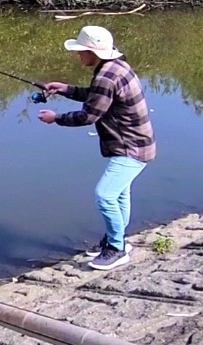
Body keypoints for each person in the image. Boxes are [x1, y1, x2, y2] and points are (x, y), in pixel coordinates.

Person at [37, 25, 155, 271]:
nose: (78, 55)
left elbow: (88, 116)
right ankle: (117, 238)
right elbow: (97, 95)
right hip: (139, 145)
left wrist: (55, 118)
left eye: (81, 51)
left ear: (93, 52)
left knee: (105, 195)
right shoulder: (117, 67)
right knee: (120, 194)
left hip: (130, 149)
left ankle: (116, 249)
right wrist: (66, 89)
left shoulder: (106, 76)